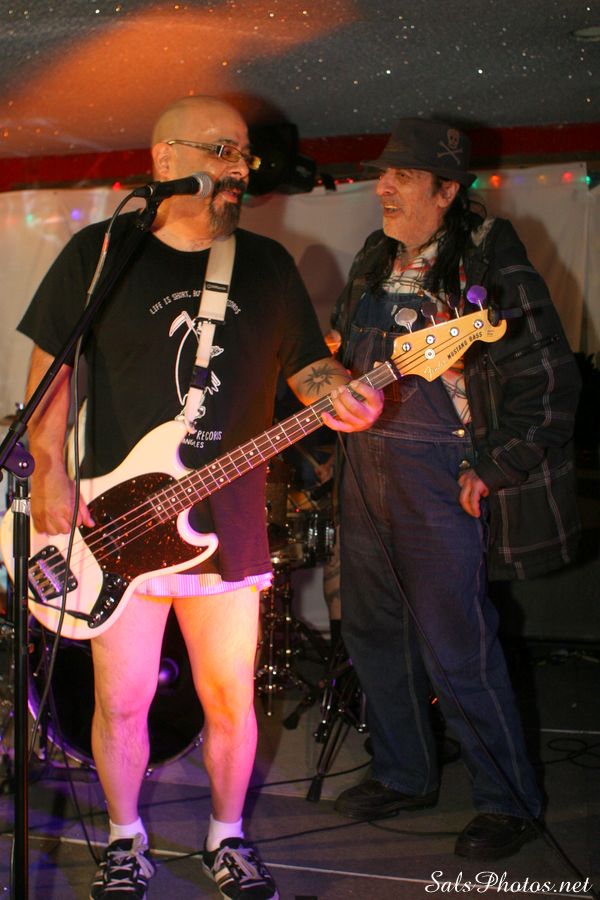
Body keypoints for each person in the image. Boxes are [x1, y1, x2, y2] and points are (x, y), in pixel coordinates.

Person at [18, 95, 383, 900]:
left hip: (229, 522)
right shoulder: (101, 252)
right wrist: (47, 469)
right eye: (222, 151)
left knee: (229, 698)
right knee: (121, 703)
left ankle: (228, 836)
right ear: (164, 160)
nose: (238, 169)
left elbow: (308, 371)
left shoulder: (266, 265)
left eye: (244, 154)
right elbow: (51, 373)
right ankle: (124, 839)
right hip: (115, 524)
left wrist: (343, 394)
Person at [330, 118, 581, 860]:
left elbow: (551, 383)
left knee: (457, 647)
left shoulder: (491, 259)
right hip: (363, 469)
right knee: (373, 633)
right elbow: (343, 351)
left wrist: (493, 467)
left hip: (437, 474)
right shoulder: (374, 256)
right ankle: (404, 772)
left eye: (403, 176)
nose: (383, 187)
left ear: (446, 191)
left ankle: (507, 802)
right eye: (384, 174)